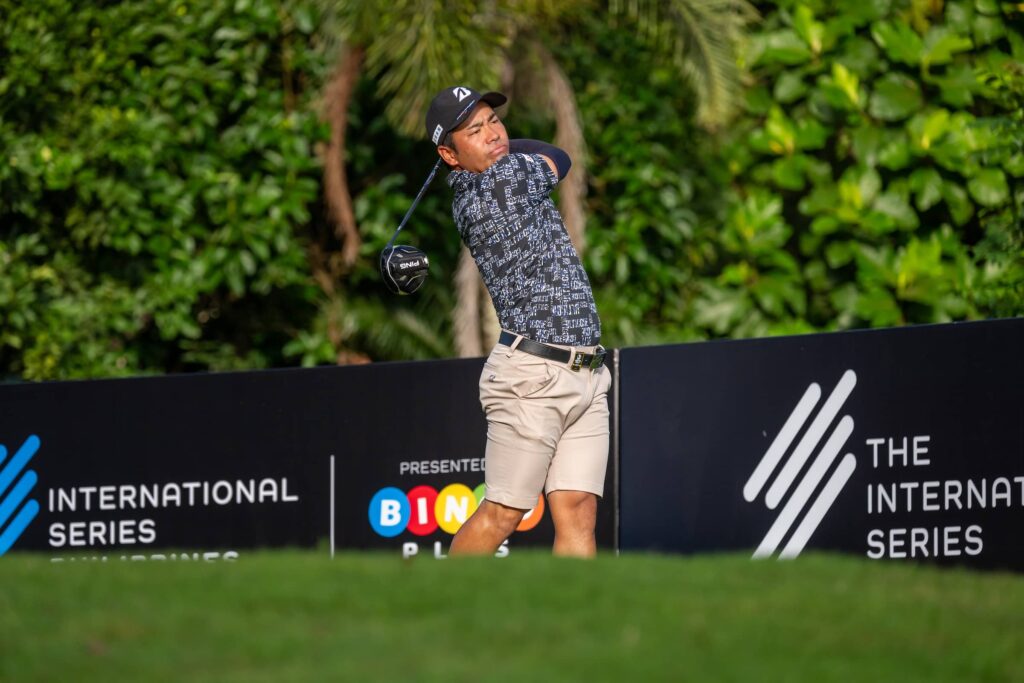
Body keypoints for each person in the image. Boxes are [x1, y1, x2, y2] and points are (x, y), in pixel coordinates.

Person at [425, 86, 611, 558]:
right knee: (502, 513)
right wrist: (502, 150)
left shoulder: (483, 179)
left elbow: (533, 155)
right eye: (475, 129)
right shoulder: (502, 181)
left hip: (586, 372)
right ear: (448, 153)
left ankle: (575, 625)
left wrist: (477, 149)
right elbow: (557, 156)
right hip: (533, 378)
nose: (493, 133)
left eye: (493, 121)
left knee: (577, 509)